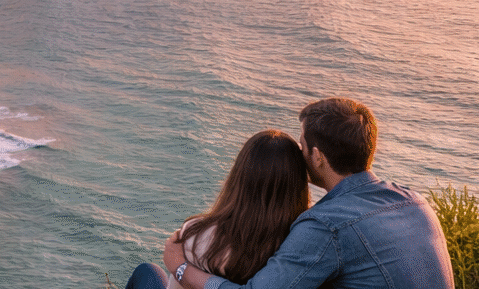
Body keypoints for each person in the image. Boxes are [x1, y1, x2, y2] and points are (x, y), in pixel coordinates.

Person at [162, 97, 454, 289]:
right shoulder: (417, 203)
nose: (299, 155)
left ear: (317, 156)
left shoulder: (327, 225)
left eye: (301, 146)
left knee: (147, 275)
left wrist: (179, 267)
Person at [126, 130, 310, 289]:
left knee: (147, 271)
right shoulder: (301, 243)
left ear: (239, 176)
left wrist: (179, 265)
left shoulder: (199, 234)